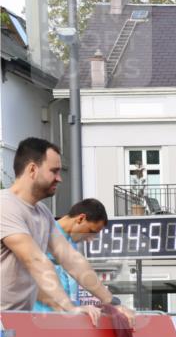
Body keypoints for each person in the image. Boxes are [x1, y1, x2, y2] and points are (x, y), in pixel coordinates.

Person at [2, 138, 133, 326]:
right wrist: (70, 308)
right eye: (54, 171)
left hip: (16, 324)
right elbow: (35, 260)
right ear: (32, 170)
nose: (59, 178)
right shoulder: (5, 206)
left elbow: (72, 259)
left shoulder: (43, 213)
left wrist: (112, 302)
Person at [33, 198, 108, 312]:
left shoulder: (72, 244)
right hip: (38, 316)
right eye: (91, 231)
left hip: (64, 317)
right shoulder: (42, 233)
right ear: (81, 218)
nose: (90, 240)